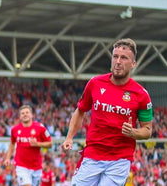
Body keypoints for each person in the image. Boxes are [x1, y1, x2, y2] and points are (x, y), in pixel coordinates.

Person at [61, 38, 153, 186]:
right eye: (115, 56)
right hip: (92, 154)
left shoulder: (141, 95)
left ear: (133, 64)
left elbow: (147, 130)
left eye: (124, 58)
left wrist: (133, 133)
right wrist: (69, 137)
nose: (118, 61)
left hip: (120, 159)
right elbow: (80, 111)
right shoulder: (95, 83)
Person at [4, 105, 53, 186]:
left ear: (31, 115)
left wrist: (38, 144)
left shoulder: (40, 127)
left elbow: (50, 144)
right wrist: (8, 158)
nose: (25, 114)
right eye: (22, 113)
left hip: (37, 166)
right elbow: (12, 143)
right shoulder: (15, 129)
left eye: (27, 112)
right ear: (19, 117)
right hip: (21, 166)